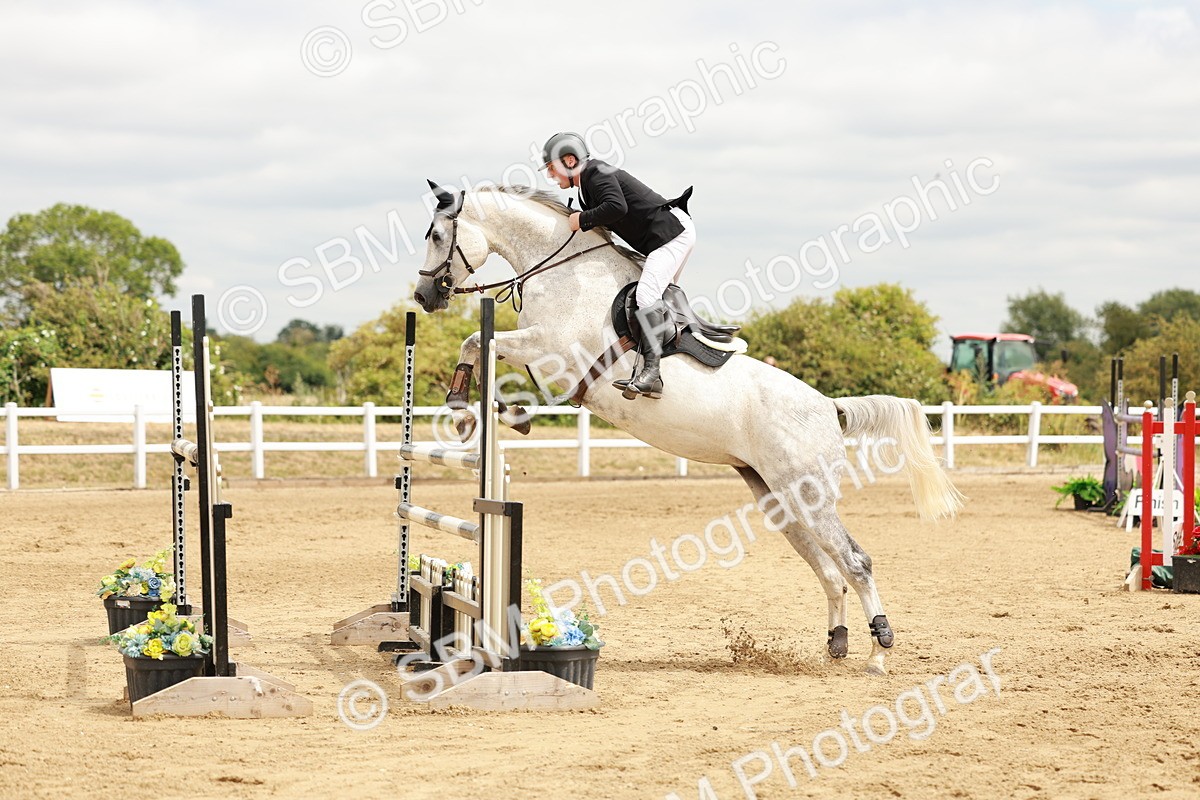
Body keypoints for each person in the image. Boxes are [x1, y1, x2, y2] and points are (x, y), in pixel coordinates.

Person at [540, 131, 694, 399]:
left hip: (671, 234)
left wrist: (582, 219)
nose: (551, 175)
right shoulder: (588, 184)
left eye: (552, 167)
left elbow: (617, 207)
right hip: (666, 236)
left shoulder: (595, 172)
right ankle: (666, 371)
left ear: (569, 160)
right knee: (655, 301)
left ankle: (652, 374)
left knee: (646, 296)